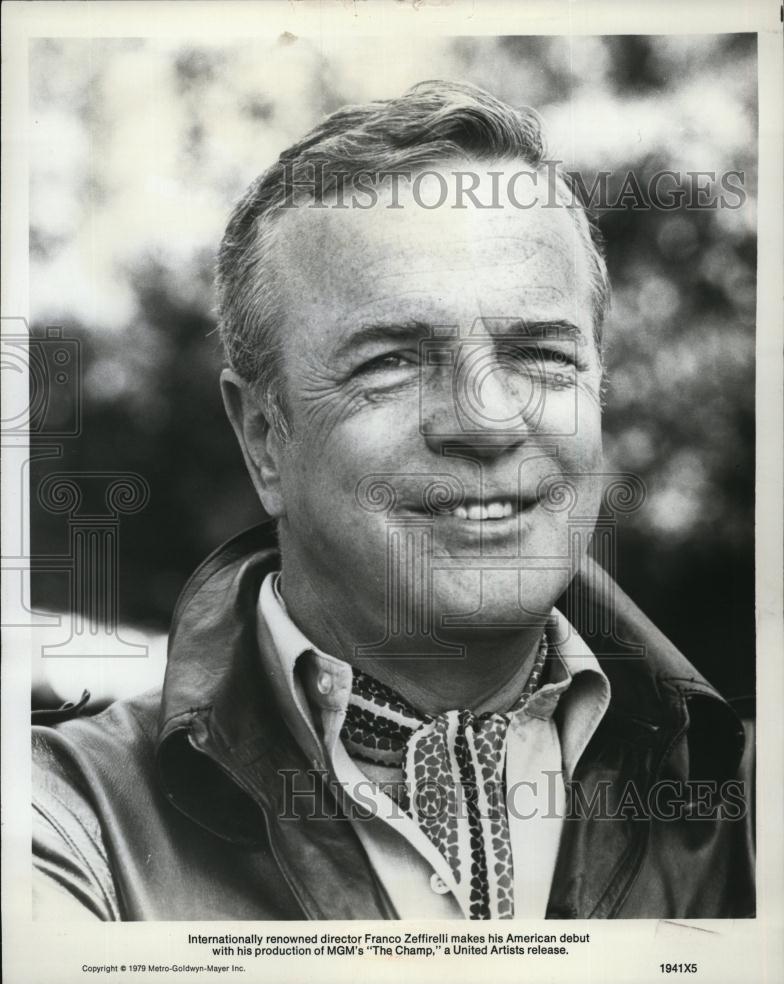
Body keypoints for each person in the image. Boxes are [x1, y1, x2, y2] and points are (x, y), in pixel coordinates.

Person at [32, 80, 754, 921]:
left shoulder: (747, 810)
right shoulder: (68, 826)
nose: (488, 420)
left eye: (540, 354)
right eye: (394, 362)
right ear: (264, 436)